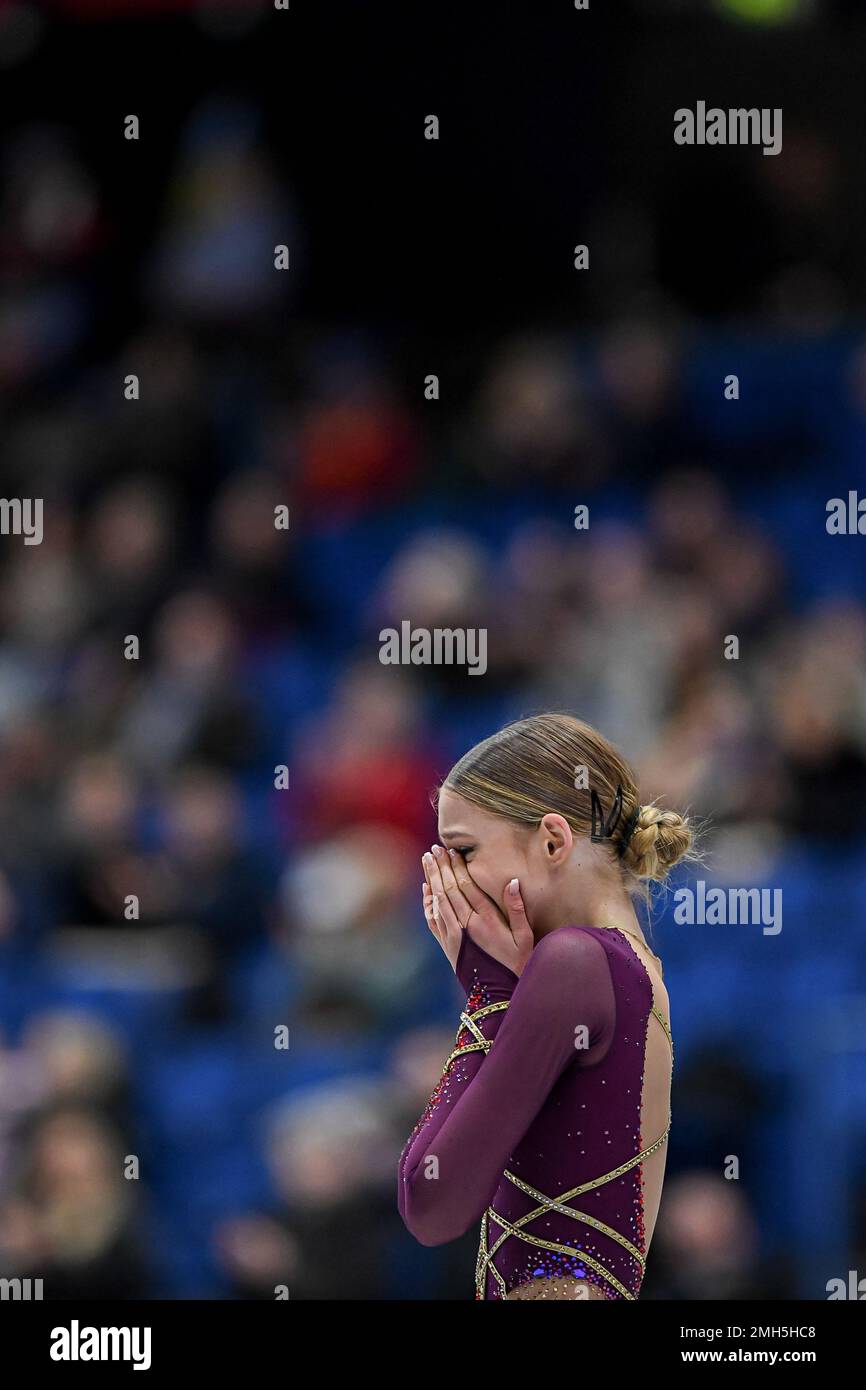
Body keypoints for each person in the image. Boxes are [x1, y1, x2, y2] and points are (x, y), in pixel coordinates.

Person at [397, 712, 693, 1301]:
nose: (448, 878)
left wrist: (489, 996)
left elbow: (430, 1202)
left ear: (553, 840)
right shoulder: (632, 967)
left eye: (463, 850)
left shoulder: (575, 963)